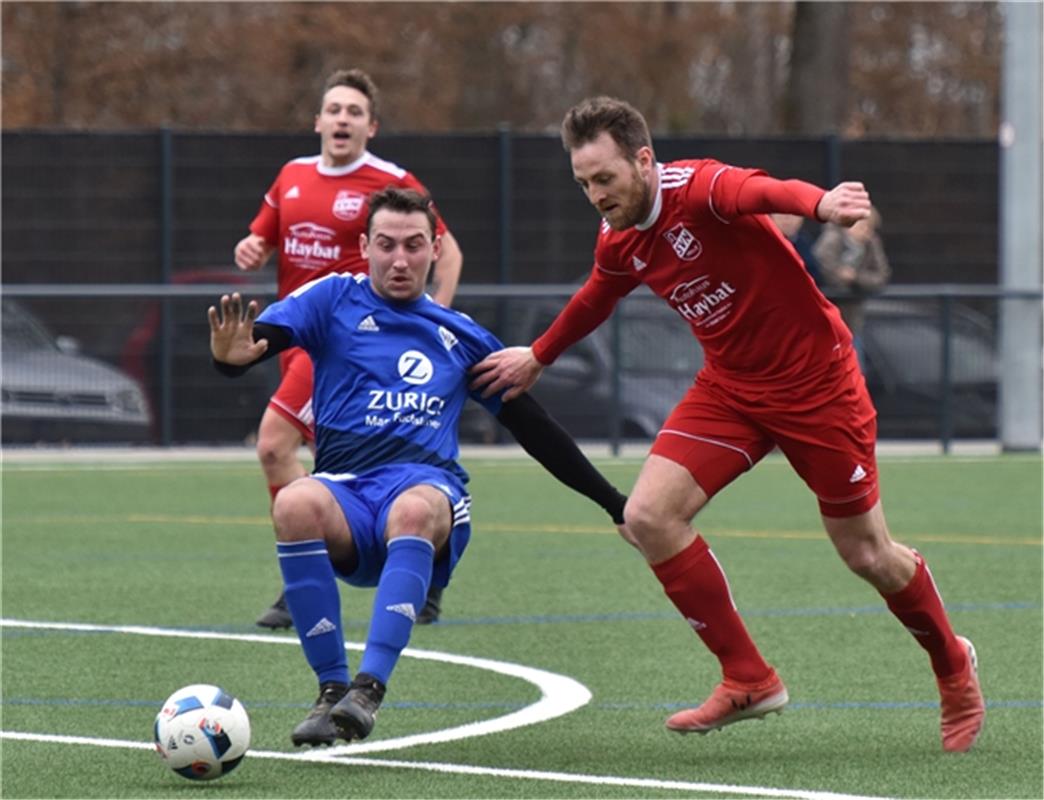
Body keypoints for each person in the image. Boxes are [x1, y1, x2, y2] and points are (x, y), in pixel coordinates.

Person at [471, 96, 984, 753]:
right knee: (648, 517)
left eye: (605, 178)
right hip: (732, 391)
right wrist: (539, 356)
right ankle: (748, 676)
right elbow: (598, 293)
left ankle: (953, 666)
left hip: (818, 388)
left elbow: (762, 190)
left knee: (866, 554)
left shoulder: (701, 188)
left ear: (644, 161)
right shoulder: (620, 237)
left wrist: (822, 204)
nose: (595, 194)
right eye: (583, 183)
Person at [209, 187, 629, 746]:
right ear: (364, 246)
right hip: (347, 498)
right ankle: (331, 693)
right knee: (293, 501)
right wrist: (230, 359)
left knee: (413, 506)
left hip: (426, 497)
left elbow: (535, 428)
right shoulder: (332, 299)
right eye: (386, 245)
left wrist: (614, 503)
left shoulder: (459, 336)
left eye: (413, 245)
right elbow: (259, 342)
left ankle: (368, 691)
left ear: (435, 249)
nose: (399, 259)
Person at [234, 68, 463, 628]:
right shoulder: (291, 175)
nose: (342, 119)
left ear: (371, 126)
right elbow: (263, 238)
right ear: (318, 120)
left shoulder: (387, 180)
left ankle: (302, 572)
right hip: (293, 341)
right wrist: (252, 248)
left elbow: (447, 251)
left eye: (354, 112)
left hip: (345, 348)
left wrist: (435, 323)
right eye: (333, 109)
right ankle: (420, 566)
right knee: (354, 465)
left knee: (273, 445)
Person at [813, 206, 891, 364]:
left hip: (853, 320)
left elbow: (881, 276)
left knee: (856, 368)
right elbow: (824, 270)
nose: (866, 232)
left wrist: (855, 278)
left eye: (870, 229)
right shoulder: (831, 240)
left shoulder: (871, 244)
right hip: (827, 322)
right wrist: (842, 280)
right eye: (862, 226)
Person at [770, 212, 824, 287]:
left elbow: (816, 278)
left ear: (802, 219)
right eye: (781, 214)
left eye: (793, 214)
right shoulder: (761, 244)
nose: (787, 219)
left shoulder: (807, 243)